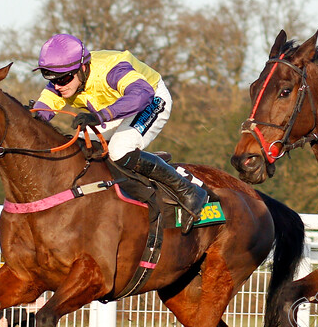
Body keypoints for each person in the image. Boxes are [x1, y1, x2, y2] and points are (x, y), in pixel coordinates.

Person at [31, 34, 208, 233]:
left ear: (82, 68)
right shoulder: (62, 81)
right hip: (113, 110)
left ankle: (189, 191)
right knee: (76, 149)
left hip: (150, 99)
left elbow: (141, 95)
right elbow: (41, 113)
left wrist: (100, 117)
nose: (57, 86)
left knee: (119, 149)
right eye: (50, 79)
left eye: (63, 79)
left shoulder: (112, 68)